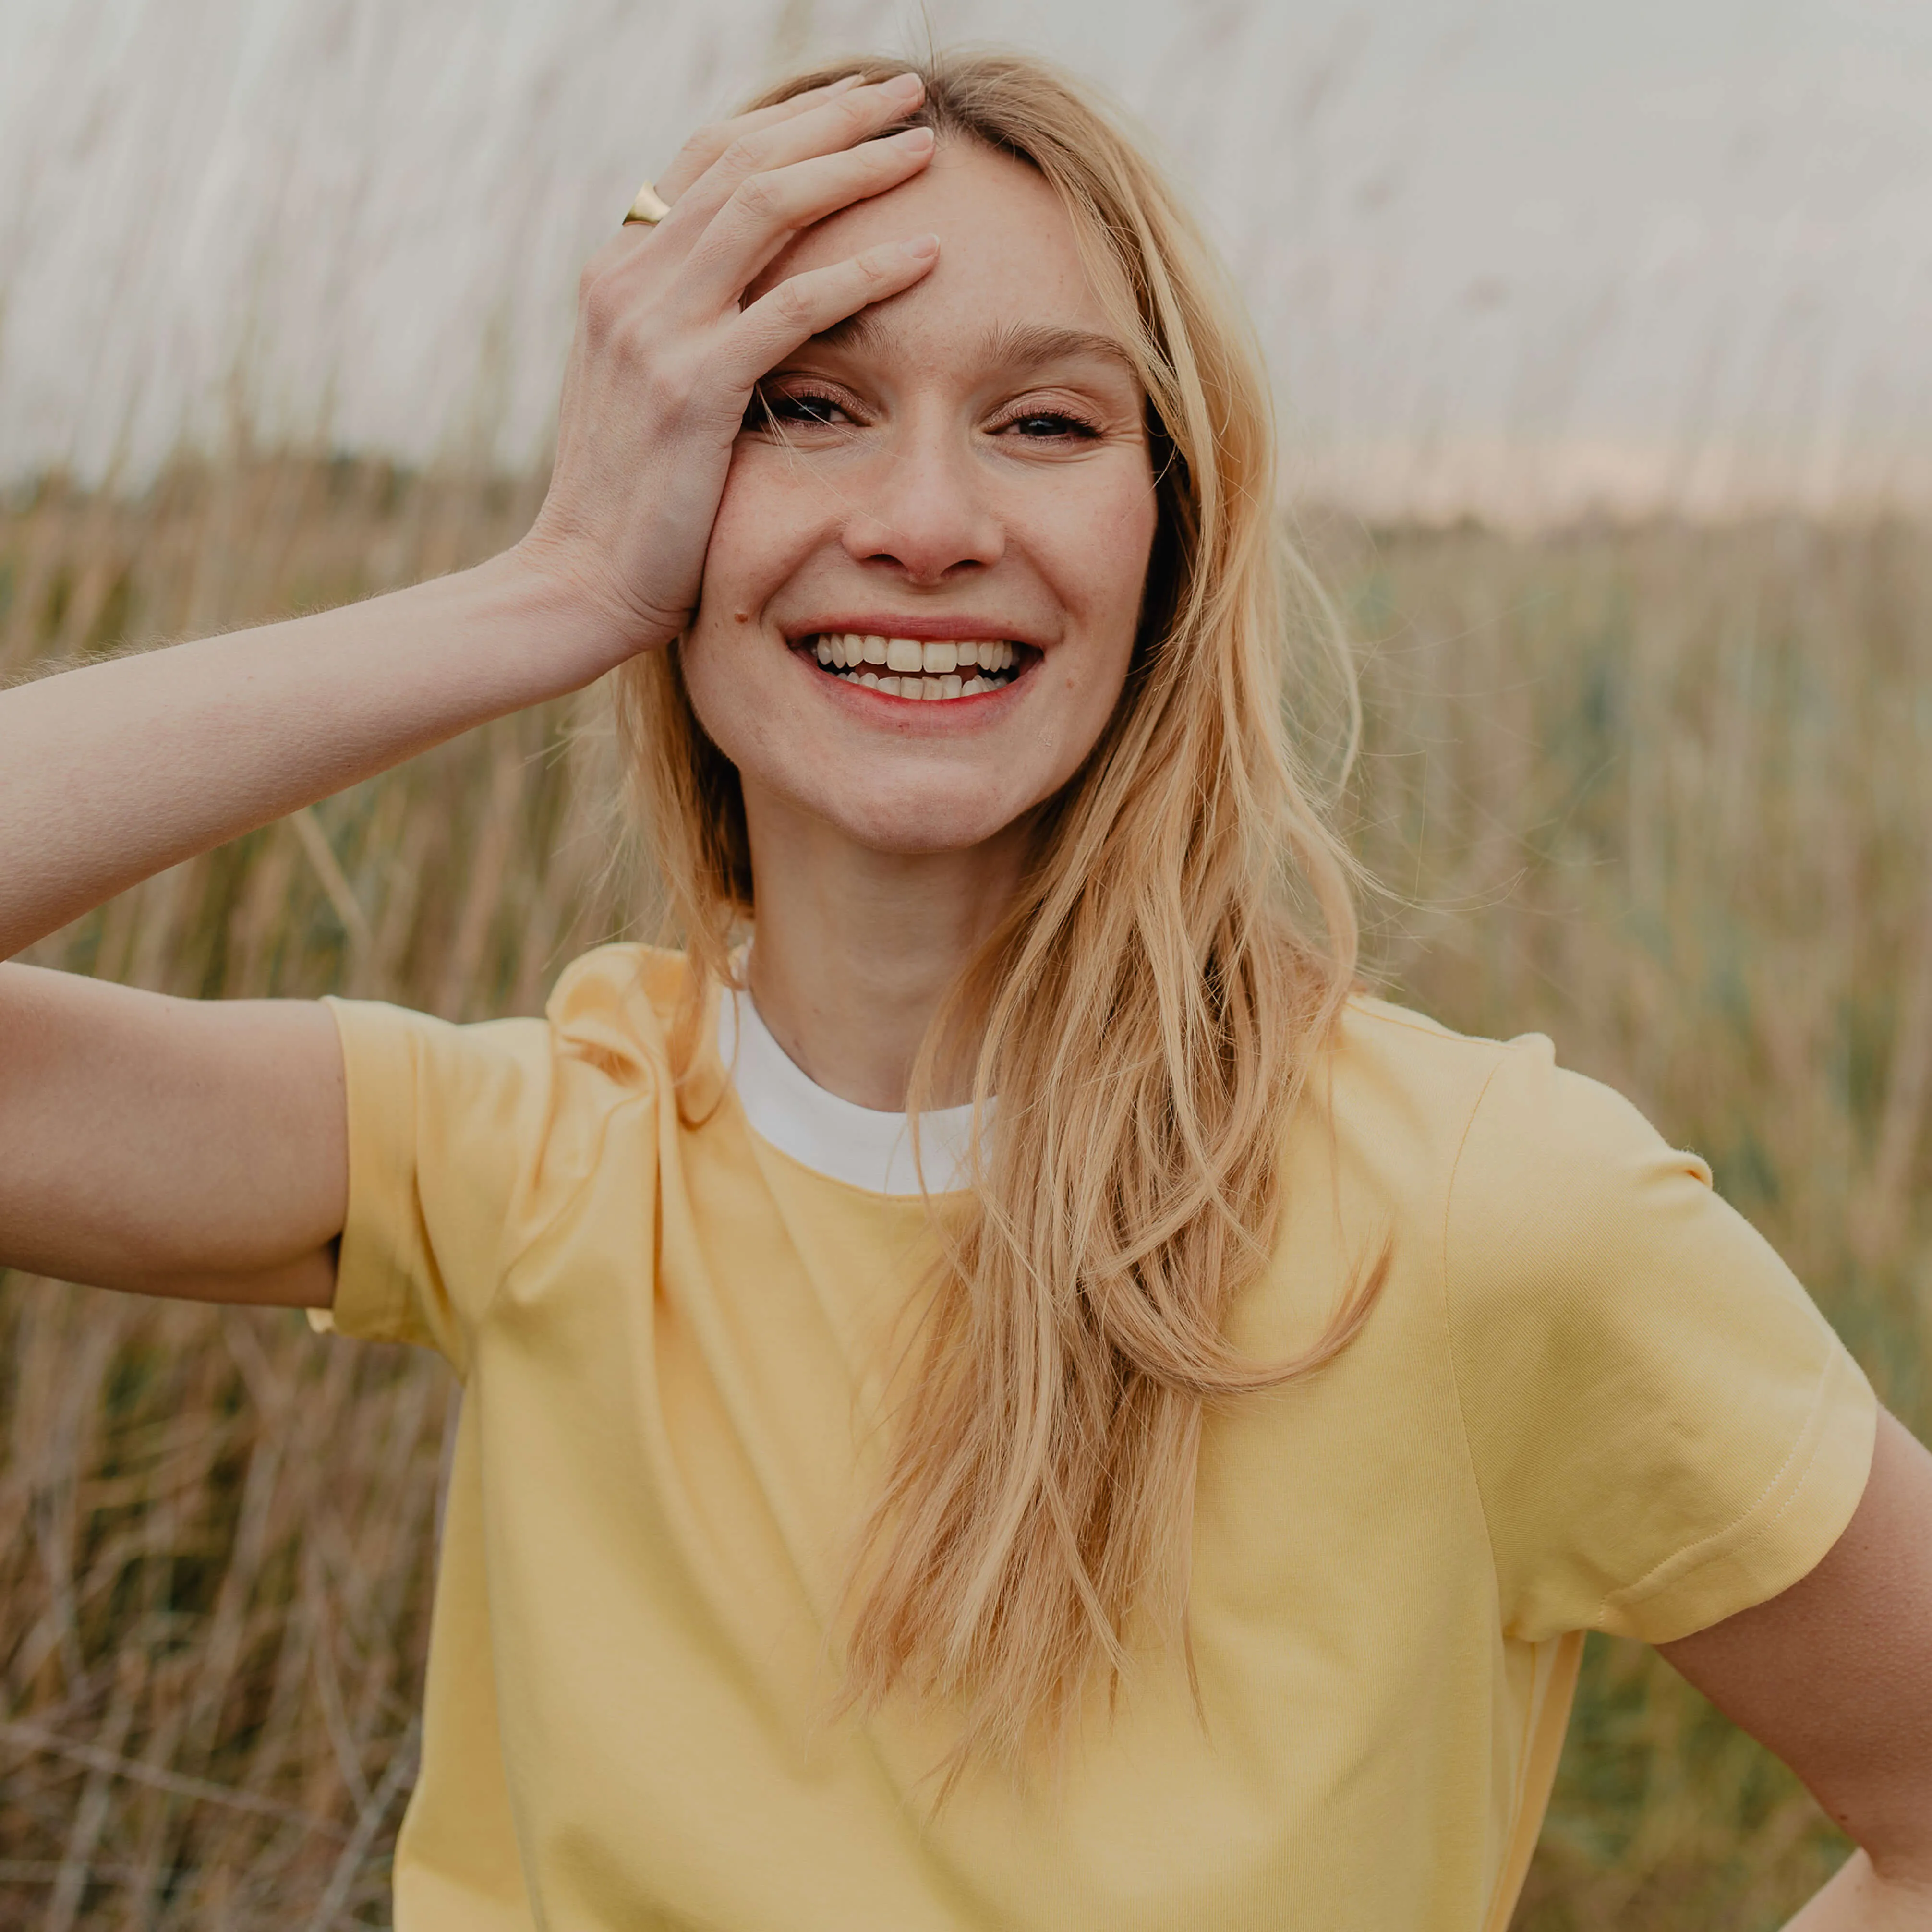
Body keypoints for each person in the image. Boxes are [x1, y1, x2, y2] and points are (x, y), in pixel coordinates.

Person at [0, 50, 1928, 1932]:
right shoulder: (539, 1162)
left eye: (1046, 423)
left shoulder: (1486, 1216)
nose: (926, 522)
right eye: (804, 407)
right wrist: (552, 587)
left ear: (1169, 532)